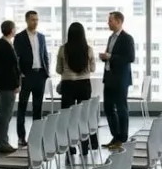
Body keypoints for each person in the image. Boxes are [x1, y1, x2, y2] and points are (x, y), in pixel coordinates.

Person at [56, 21, 98, 156]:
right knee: (83, 117)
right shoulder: (88, 49)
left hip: (68, 85)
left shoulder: (63, 49)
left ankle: (69, 147)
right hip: (84, 85)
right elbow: (92, 68)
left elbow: (58, 69)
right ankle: (84, 147)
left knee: (67, 117)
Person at [99, 11, 135, 149]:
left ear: (119, 22)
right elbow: (111, 55)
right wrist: (105, 58)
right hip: (109, 78)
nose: (108, 23)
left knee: (121, 109)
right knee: (108, 108)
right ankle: (115, 136)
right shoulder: (111, 38)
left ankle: (122, 138)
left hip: (120, 80)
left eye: (110, 21)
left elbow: (130, 58)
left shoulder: (127, 38)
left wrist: (110, 57)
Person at [13, 10, 49, 147]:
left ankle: (36, 136)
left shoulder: (41, 37)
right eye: (33, 19)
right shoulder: (20, 37)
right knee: (22, 107)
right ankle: (21, 137)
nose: (35, 22)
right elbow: (16, 59)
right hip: (26, 76)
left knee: (37, 107)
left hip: (40, 75)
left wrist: (46, 72)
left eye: (37, 19)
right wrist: (20, 74)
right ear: (27, 20)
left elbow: (45, 54)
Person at [0, 20, 22, 154]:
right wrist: (16, 84)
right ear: (11, 30)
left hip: (4, 85)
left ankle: (3, 141)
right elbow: (10, 68)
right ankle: (3, 143)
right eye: (14, 28)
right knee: (5, 114)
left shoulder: (3, 44)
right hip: (6, 86)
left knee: (5, 114)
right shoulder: (4, 45)